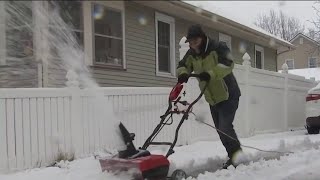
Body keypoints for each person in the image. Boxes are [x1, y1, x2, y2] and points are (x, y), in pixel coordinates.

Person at [177, 24, 242, 169]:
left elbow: (228, 63)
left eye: (195, 41)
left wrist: (210, 74)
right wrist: (182, 74)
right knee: (220, 130)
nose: (193, 45)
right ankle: (232, 155)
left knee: (225, 127)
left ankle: (237, 156)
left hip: (229, 94)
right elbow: (183, 65)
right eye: (191, 43)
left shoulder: (218, 47)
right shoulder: (192, 53)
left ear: (202, 37)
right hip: (213, 98)